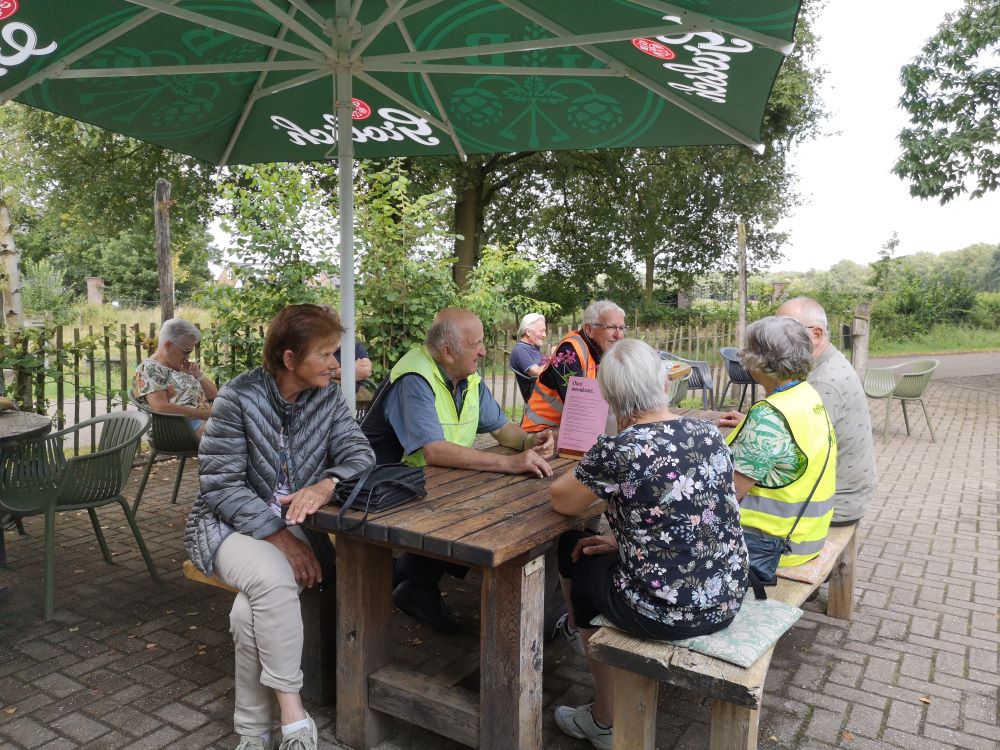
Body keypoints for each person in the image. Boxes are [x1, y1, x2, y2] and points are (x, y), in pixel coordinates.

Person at [185, 305, 375, 750]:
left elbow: (361, 454)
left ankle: (252, 735)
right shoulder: (237, 397)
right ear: (290, 358)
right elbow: (220, 485)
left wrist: (328, 484)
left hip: (296, 524)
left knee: (246, 614)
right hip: (225, 525)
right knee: (272, 578)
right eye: (326, 354)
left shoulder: (327, 397)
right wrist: (281, 538)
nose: (335, 364)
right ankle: (294, 716)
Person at [550, 340, 749, 750]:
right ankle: (592, 653)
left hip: (667, 613)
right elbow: (687, 510)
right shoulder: (708, 433)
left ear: (608, 398)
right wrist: (625, 539)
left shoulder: (618, 449)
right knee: (592, 549)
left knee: (573, 550)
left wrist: (605, 450)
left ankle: (603, 718)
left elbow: (562, 500)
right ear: (665, 383)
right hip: (728, 595)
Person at [362, 307, 555, 632]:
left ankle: (414, 582)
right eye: (475, 344)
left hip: (430, 484)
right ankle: (408, 584)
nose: (484, 351)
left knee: (485, 506)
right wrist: (509, 464)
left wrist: (528, 442)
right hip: (381, 492)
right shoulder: (414, 379)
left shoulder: (467, 377)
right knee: (481, 516)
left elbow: (500, 427)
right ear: (448, 351)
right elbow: (434, 451)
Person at [719, 316, 838, 568]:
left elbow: (729, 493)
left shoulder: (769, 416)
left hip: (767, 548)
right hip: (807, 537)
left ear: (759, 362)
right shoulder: (807, 395)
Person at [776, 297, 876, 525]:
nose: (778, 340)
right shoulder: (824, 363)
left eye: (786, 332)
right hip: (841, 492)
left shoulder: (824, 382)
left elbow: (791, 456)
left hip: (836, 502)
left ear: (817, 334)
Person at [521, 299, 626, 433]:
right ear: (589, 329)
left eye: (621, 328)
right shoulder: (570, 351)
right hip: (539, 432)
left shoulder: (601, 351)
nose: (618, 335)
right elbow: (581, 410)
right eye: (611, 327)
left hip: (567, 432)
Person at [132, 317, 218, 437]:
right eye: (186, 351)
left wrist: (198, 375)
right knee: (231, 436)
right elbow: (160, 407)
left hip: (202, 423)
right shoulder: (149, 368)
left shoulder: (180, 367)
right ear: (168, 345)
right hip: (176, 428)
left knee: (241, 430)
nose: (187, 357)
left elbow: (215, 396)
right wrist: (203, 414)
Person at [509, 312, 547, 401]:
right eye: (541, 331)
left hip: (547, 395)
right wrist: (554, 355)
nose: (544, 335)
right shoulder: (520, 351)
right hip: (539, 401)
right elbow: (538, 373)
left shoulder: (532, 348)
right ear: (528, 332)